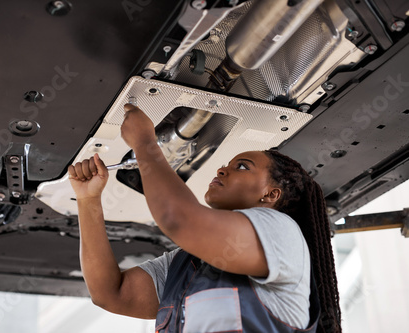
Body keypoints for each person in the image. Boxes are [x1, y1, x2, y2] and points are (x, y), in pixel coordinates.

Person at [67, 103, 342, 333]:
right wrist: (88, 200)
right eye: (225, 165)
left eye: (242, 167)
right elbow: (110, 293)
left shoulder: (280, 232)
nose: (222, 171)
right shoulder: (184, 263)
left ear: (271, 194)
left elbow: (179, 219)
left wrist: (145, 142)